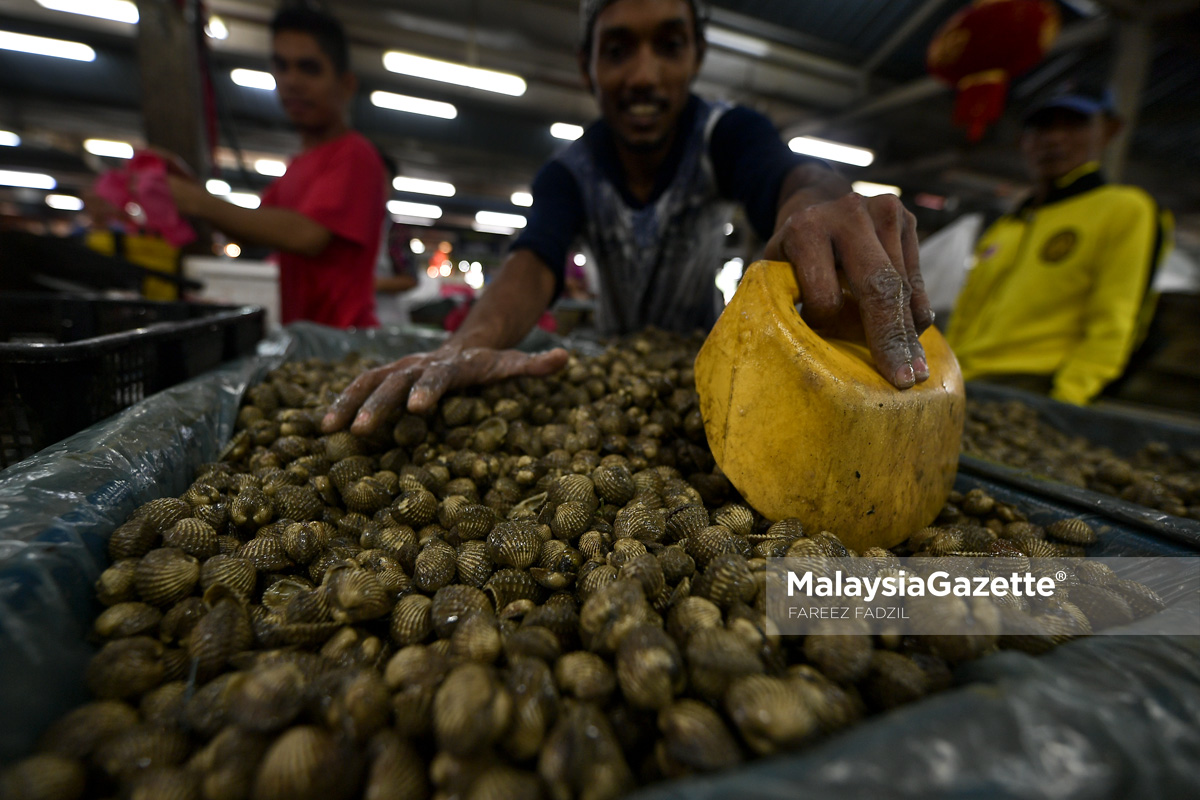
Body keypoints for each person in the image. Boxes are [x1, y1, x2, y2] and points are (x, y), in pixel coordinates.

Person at [323, 0, 933, 435]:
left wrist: (820, 204)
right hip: (606, 371)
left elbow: (788, 176)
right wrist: (470, 342)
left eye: (668, 45)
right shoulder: (570, 171)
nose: (644, 76)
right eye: (617, 51)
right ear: (588, 65)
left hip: (708, 368)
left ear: (697, 55)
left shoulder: (727, 135)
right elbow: (535, 259)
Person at [945, 88, 1172, 405]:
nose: (1053, 139)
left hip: (1034, 389)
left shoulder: (1125, 209)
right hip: (963, 379)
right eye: (1041, 128)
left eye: (1073, 125)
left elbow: (1117, 318)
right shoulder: (1007, 227)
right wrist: (945, 369)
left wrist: (1067, 398)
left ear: (1107, 131)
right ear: (1024, 142)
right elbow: (965, 311)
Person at [167, 6, 387, 328]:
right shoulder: (296, 166)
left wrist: (198, 201)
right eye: (281, 66)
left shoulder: (356, 155)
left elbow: (306, 236)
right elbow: (250, 230)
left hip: (344, 342)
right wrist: (191, 190)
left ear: (346, 84)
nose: (291, 81)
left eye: (309, 68)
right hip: (306, 339)